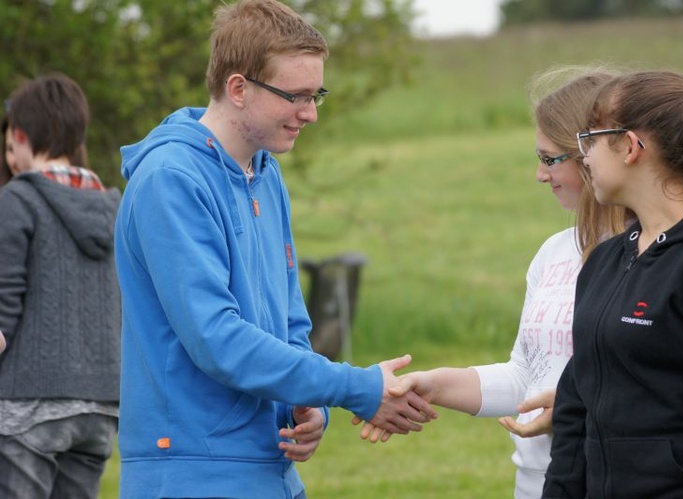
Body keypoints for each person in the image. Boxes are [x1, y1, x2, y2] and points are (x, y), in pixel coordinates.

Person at [114, 1, 436, 498]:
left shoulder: (265, 173)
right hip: (192, 474)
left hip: (272, 471)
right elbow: (216, 338)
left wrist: (310, 406)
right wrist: (356, 387)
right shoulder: (170, 180)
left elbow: (290, 324)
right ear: (238, 88)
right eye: (295, 96)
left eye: (316, 95)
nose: (309, 113)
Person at [355, 67, 630, 498]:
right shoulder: (553, 253)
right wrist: (435, 385)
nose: (540, 176)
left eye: (548, 158)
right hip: (537, 483)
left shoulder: (655, 255)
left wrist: (577, 407)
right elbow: (526, 375)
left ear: (590, 152)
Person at [543, 71, 683, 497]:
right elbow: (573, 411)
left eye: (592, 140)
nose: (584, 157)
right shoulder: (605, 260)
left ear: (631, 146)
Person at [0, 73, 121, 498]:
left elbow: (3, 314)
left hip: (27, 406)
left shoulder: (17, 201)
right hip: (101, 407)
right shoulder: (115, 208)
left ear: (19, 137)